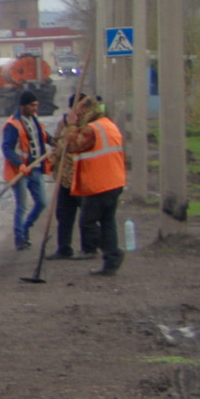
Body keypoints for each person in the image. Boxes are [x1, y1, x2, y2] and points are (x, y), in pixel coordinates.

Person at [59, 95, 127, 275]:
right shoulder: (108, 124)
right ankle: (111, 262)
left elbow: (71, 145)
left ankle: (113, 252)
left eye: (79, 112)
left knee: (87, 223)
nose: (78, 115)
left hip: (99, 183)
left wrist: (71, 125)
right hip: (114, 180)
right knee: (107, 222)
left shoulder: (91, 130)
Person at [1, 94, 51, 250]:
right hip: (21, 172)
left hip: (35, 169)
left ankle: (26, 227)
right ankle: (20, 239)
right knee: (22, 206)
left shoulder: (34, 120)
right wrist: (19, 164)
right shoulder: (13, 125)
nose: (35, 108)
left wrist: (56, 141)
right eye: (32, 105)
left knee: (42, 203)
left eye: (36, 105)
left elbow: (43, 136)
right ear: (23, 106)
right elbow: (7, 148)